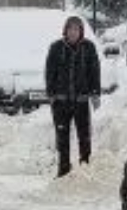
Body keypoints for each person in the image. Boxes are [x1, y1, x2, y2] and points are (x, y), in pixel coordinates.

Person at [44, 15, 102, 177]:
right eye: (70, 29)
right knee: (62, 137)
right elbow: (50, 72)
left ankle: (85, 166)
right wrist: (51, 94)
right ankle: (63, 168)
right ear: (66, 30)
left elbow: (94, 71)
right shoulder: (56, 48)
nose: (73, 32)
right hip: (61, 101)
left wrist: (95, 93)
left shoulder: (88, 47)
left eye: (77, 29)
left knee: (84, 136)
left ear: (81, 31)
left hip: (81, 101)